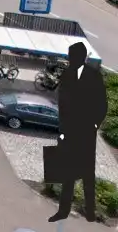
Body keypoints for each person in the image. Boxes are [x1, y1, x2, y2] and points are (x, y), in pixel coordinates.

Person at [48, 39, 105, 221]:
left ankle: (90, 212)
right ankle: (63, 211)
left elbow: (102, 104)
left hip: (87, 132)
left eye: (72, 56)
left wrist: (95, 124)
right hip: (70, 131)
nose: (70, 59)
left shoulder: (94, 76)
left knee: (88, 173)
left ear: (81, 57)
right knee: (68, 174)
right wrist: (62, 129)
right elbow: (62, 103)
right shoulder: (67, 74)